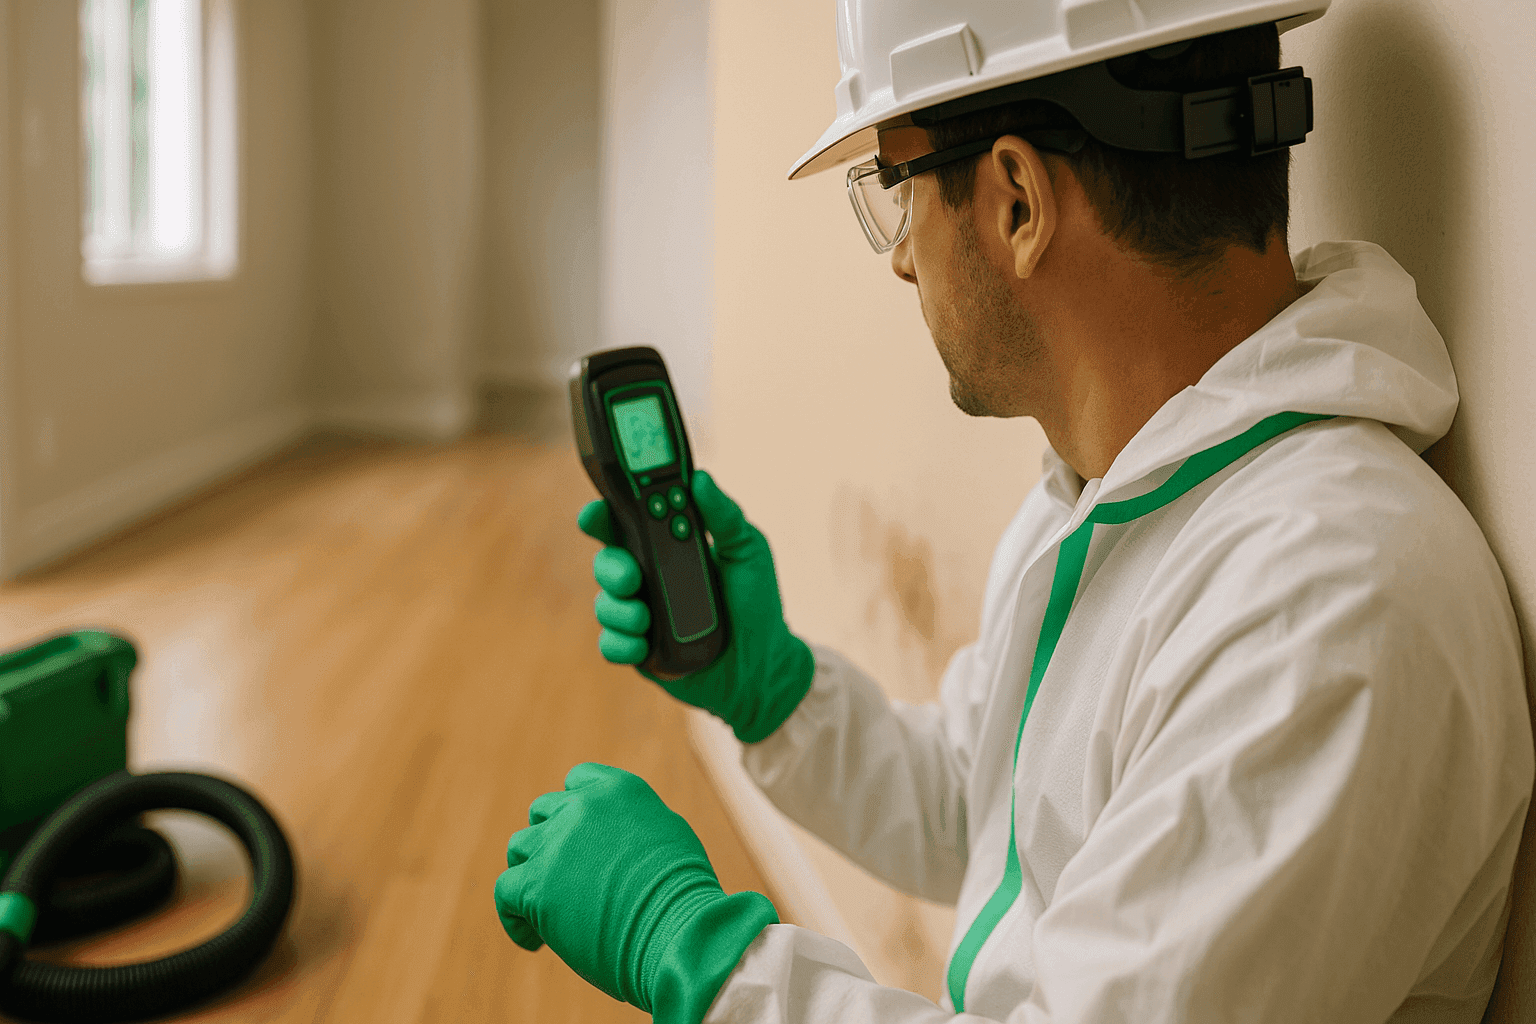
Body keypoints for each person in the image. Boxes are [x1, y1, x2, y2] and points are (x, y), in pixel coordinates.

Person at [492, 2, 1533, 1022]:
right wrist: (778, 695)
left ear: (1017, 202)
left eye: (899, 187)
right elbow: (992, 820)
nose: (902, 256)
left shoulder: (1327, 607)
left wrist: (697, 955)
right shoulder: (1112, 490)